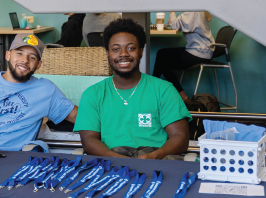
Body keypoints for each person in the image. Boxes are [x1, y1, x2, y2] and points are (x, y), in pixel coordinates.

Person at [74, 18, 191, 160]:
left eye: (131, 48)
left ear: (141, 52)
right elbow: (88, 140)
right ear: (107, 54)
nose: (123, 54)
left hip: (156, 161)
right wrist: (117, 159)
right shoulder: (93, 94)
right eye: (116, 49)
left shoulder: (164, 90)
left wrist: (154, 157)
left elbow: (180, 137)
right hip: (111, 162)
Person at [152, 12, 215, 101]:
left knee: (162, 59)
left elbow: (174, 25)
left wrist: (172, 11)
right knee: (162, 55)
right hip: (203, 50)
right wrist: (175, 22)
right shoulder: (200, 10)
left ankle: (152, 90)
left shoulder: (194, 11)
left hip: (199, 52)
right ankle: (181, 96)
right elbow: (177, 23)